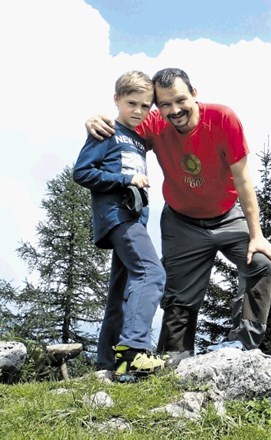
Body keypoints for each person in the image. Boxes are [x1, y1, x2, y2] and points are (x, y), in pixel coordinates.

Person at [85, 68, 271, 364]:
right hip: (182, 221)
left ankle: (242, 345)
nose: (174, 110)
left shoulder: (224, 118)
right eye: (163, 104)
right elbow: (122, 126)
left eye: (180, 100)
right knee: (178, 297)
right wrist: (96, 120)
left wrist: (257, 235)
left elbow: (243, 181)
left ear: (194, 94)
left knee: (261, 262)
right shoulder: (154, 123)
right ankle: (175, 358)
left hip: (228, 215)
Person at [73, 70, 166, 379]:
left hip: (134, 218)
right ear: (116, 100)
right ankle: (134, 351)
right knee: (151, 272)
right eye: (131, 103)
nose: (139, 111)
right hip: (117, 218)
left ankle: (108, 362)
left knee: (122, 289)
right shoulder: (106, 131)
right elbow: (82, 172)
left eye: (145, 105)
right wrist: (126, 178)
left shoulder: (140, 139)